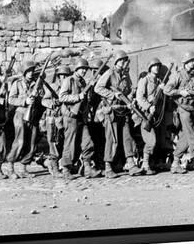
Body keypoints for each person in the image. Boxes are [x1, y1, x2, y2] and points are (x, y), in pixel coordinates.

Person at [95, 50, 143, 178]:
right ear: (116, 62)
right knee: (112, 139)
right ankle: (108, 167)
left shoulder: (125, 75)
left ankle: (131, 164)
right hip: (112, 111)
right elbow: (98, 88)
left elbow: (129, 90)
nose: (123, 62)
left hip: (124, 110)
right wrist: (112, 95)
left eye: (124, 60)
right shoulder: (109, 73)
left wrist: (130, 99)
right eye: (121, 60)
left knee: (128, 137)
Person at [163, 51, 194, 174]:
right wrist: (180, 92)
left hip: (192, 108)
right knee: (191, 135)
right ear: (185, 63)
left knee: (185, 137)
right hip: (183, 109)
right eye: (190, 61)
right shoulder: (178, 75)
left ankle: (175, 163)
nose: (193, 63)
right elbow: (167, 90)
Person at [59, 58, 101, 180]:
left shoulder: (83, 82)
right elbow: (62, 97)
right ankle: (66, 169)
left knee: (88, 143)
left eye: (85, 69)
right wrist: (78, 96)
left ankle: (87, 168)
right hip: (71, 116)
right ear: (76, 69)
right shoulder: (69, 80)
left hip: (81, 117)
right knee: (70, 144)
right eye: (82, 69)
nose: (84, 71)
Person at [5, 61, 44, 179]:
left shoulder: (37, 83)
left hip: (33, 116)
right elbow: (11, 100)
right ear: (25, 72)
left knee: (31, 142)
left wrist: (38, 96)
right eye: (29, 71)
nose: (31, 73)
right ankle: (10, 167)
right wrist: (24, 101)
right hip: (20, 114)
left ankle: (23, 168)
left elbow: (42, 99)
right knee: (19, 141)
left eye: (32, 71)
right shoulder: (17, 83)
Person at [133, 57, 166, 175]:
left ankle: (149, 163)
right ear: (150, 68)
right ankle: (145, 164)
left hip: (154, 115)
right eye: (154, 66)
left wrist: (162, 89)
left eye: (158, 66)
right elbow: (139, 98)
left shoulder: (159, 81)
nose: (156, 67)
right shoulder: (145, 80)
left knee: (156, 141)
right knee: (151, 141)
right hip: (145, 115)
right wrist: (148, 106)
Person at [41, 65, 70, 178]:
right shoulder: (53, 87)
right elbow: (44, 100)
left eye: (66, 76)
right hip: (52, 119)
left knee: (63, 143)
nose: (63, 78)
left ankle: (62, 164)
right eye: (62, 76)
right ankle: (54, 167)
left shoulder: (69, 87)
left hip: (64, 119)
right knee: (53, 143)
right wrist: (52, 103)